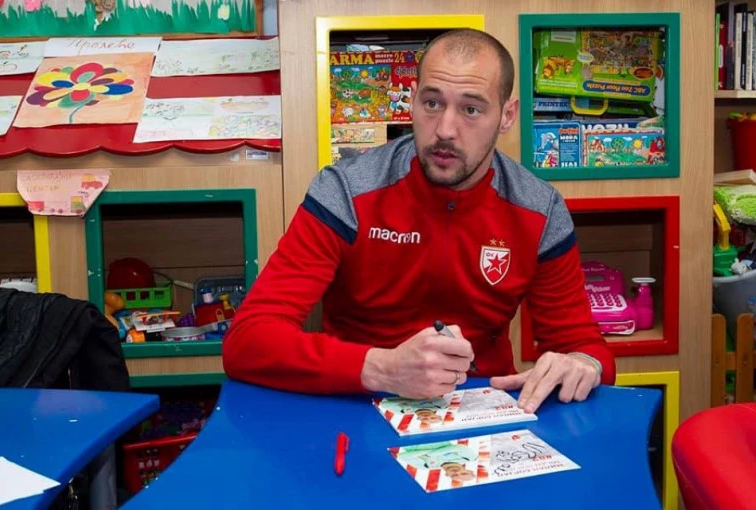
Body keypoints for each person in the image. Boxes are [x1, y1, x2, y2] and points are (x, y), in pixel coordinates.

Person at [222, 28, 616, 413]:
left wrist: (583, 364)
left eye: (471, 109)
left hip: (483, 410)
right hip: (357, 403)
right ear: (411, 100)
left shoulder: (540, 209)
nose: (445, 130)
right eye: (432, 103)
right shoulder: (344, 191)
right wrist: (382, 368)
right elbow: (247, 340)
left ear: (507, 116)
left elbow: (583, 345)